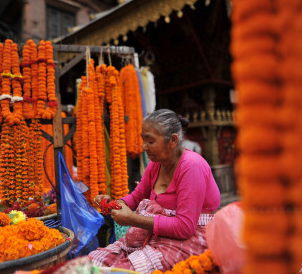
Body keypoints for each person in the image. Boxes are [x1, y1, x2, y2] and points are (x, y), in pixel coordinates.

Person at [89, 109, 221, 273]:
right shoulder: (155, 165)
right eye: (143, 140)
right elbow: (136, 197)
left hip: (190, 238)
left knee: (124, 270)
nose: (144, 147)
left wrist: (133, 219)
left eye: (150, 142)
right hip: (156, 235)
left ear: (172, 140)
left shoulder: (192, 166)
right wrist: (114, 204)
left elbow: (185, 227)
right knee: (94, 262)